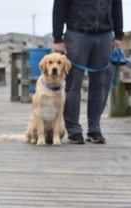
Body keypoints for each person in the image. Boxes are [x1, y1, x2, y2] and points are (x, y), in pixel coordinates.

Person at [52, 0, 124, 144]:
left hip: (104, 35)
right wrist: (57, 37)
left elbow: (116, 5)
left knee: (101, 84)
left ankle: (94, 128)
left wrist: (118, 34)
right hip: (77, 34)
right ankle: (73, 129)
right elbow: (59, 6)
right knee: (74, 84)